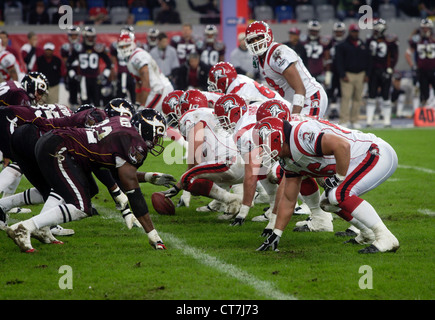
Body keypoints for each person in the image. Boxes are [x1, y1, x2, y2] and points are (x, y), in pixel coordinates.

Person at [6, 108, 169, 253]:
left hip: (55, 143)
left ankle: (38, 227)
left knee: (84, 191)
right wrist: (153, 234)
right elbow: (132, 189)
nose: (156, 141)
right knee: (81, 207)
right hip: (60, 148)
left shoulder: (121, 123)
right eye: (157, 134)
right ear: (147, 128)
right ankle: (25, 228)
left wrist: (147, 177)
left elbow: (115, 167)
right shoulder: (136, 143)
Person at [254, 116, 400, 254]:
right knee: (327, 202)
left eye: (265, 145)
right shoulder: (287, 161)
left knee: (339, 195)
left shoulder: (302, 136)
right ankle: (367, 233)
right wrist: (276, 234)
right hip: (357, 160)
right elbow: (289, 199)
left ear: (277, 138)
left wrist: (339, 177)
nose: (264, 151)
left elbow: (342, 146)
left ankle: (385, 237)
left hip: (374, 152)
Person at [160, 90, 244, 216]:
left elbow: (196, 142)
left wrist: (184, 180)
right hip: (248, 164)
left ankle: (232, 200)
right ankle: (221, 203)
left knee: (190, 178)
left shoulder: (192, 115)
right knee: (209, 166)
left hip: (230, 164)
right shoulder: (214, 113)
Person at [244, 21, 328, 119]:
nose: (256, 43)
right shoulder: (258, 59)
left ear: (268, 36)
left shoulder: (278, 54)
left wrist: (294, 116)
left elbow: (300, 89)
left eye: (259, 38)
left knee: (301, 131)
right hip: (294, 102)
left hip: (310, 98)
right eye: (252, 40)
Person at [117, 31, 174, 112]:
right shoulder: (131, 58)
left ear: (133, 43)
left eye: (127, 45)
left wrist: (142, 105)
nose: (124, 49)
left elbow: (145, 81)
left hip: (159, 90)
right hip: (156, 90)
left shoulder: (138, 55)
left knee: (144, 117)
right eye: (122, 47)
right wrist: (137, 102)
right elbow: (138, 82)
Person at [334, 23, 371, 128]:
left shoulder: (363, 44)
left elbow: (369, 61)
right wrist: (342, 74)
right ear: (350, 32)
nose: (355, 33)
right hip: (348, 74)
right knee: (346, 98)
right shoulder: (343, 45)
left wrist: (367, 74)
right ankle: (344, 120)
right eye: (353, 31)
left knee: (358, 98)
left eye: (357, 31)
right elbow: (339, 61)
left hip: (360, 74)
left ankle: (354, 120)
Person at [67, 26, 113, 107]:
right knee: (85, 103)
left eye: (92, 37)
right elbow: (68, 63)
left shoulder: (97, 48)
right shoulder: (79, 48)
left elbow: (109, 63)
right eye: (89, 37)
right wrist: (73, 76)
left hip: (96, 79)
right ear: (84, 37)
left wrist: (104, 75)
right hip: (83, 79)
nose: (91, 39)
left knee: (97, 102)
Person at [365, 19, 399, 128]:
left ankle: (387, 121)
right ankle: (369, 121)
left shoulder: (389, 41)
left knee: (385, 95)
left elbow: (395, 56)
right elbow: (367, 56)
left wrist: (391, 68)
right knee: (371, 95)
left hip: (385, 70)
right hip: (373, 71)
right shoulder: (370, 40)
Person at [207, 61, 287, 105]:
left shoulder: (238, 92)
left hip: (280, 109)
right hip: (278, 104)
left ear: (223, 82)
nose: (213, 86)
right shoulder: (238, 79)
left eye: (213, 82)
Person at [405, 18, 435, 106]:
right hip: (422, 70)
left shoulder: (433, 39)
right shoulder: (417, 40)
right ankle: (426, 113)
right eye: (423, 28)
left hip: (433, 69)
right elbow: (407, 54)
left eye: (427, 28)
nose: (425, 30)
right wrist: (412, 65)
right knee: (424, 94)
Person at [109, 26, 136, 103]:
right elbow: (113, 58)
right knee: (121, 95)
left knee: (134, 94)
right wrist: (112, 68)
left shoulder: (135, 46)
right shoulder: (117, 45)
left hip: (132, 73)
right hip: (122, 73)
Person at [325, 22, 346, 121]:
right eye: (337, 32)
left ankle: (339, 110)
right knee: (331, 90)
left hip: (343, 71)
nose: (338, 34)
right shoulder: (331, 43)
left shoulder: (346, 42)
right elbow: (327, 55)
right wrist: (328, 70)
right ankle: (332, 111)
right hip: (333, 70)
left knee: (342, 92)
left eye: (340, 32)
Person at [61, 26, 81, 108]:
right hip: (70, 71)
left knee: (82, 91)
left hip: (80, 71)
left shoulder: (81, 46)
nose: (74, 37)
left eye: (75, 35)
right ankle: (73, 105)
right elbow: (66, 62)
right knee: (72, 91)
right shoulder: (66, 47)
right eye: (72, 35)